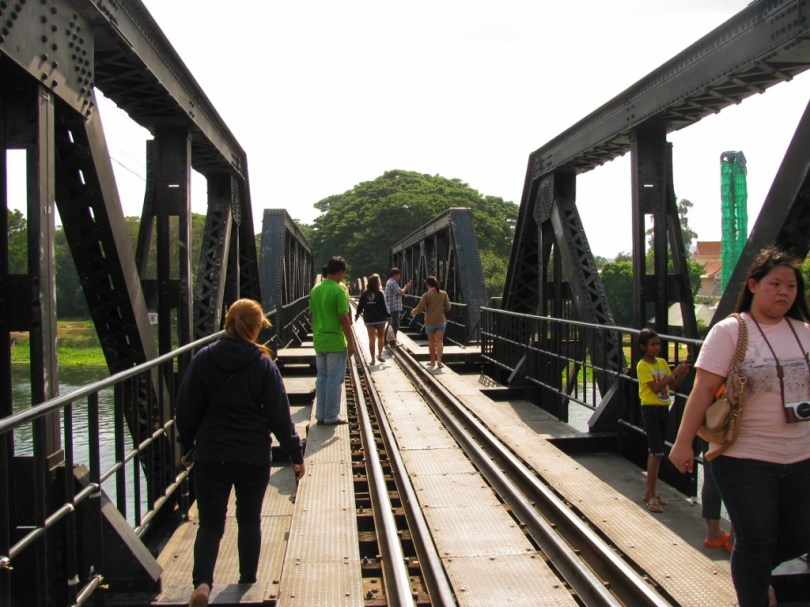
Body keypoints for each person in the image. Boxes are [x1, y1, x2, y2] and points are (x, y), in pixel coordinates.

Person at [669, 247, 810, 607]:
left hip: (802, 456)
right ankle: (753, 595)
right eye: (775, 284)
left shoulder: (803, 332)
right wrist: (683, 442)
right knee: (755, 539)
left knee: (801, 535)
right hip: (744, 458)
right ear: (753, 285)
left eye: (791, 286)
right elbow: (702, 390)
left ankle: (757, 576)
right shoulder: (731, 331)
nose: (784, 292)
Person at [175, 299, 305, 607]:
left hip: (211, 453)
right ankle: (246, 583)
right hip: (252, 455)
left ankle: (203, 584)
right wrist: (295, 453)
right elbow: (279, 415)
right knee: (249, 519)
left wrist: (187, 445)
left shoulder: (203, 358)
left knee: (209, 523)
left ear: (228, 322)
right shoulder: (263, 364)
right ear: (256, 327)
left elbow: (186, 408)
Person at [636, 327, 691, 513]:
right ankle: (651, 496)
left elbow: (672, 386)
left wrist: (682, 373)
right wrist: (674, 373)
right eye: (653, 344)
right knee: (657, 452)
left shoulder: (661, 362)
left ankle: (650, 492)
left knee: (656, 452)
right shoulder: (642, 366)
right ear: (643, 347)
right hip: (650, 409)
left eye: (658, 344)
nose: (657, 347)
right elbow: (656, 388)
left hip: (663, 408)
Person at [309, 256, 355, 424]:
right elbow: (344, 318)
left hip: (319, 340)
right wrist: (351, 343)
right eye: (343, 273)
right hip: (335, 341)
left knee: (322, 377)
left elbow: (311, 315)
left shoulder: (315, 289)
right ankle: (331, 416)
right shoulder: (338, 290)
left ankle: (321, 414)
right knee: (334, 379)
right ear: (340, 272)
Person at [699, 438, 734, 551]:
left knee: (710, 474)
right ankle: (733, 540)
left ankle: (713, 535)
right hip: (736, 431)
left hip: (709, 429)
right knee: (739, 478)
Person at [410, 275, 451, 370]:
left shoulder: (426, 295)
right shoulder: (443, 294)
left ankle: (432, 362)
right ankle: (439, 361)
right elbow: (448, 307)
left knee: (431, 342)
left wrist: (413, 312)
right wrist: (441, 312)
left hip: (429, 322)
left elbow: (420, 308)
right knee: (440, 341)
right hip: (440, 321)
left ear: (428, 285)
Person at [355, 273, 391, 365]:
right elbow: (384, 307)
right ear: (377, 283)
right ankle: (380, 355)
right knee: (381, 337)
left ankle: (372, 359)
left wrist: (357, 315)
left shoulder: (364, 294)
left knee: (371, 339)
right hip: (380, 319)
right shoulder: (380, 293)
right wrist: (389, 316)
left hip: (369, 319)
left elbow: (360, 306)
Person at [384, 268, 413, 344]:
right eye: (399, 275)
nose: (400, 277)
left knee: (390, 324)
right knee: (395, 324)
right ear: (394, 275)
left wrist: (404, 289)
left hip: (391, 306)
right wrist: (406, 287)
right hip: (393, 307)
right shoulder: (393, 283)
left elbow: (399, 292)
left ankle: (385, 340)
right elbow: (400, 293)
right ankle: (392, 341)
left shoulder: (390, 282)